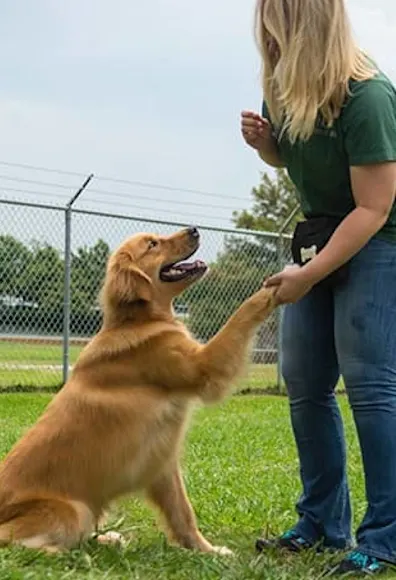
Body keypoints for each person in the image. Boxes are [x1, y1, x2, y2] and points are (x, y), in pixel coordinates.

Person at [241, 0, 396, 576]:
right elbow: (296, 156)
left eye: (276, 31)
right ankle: (322, 523)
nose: (268, 43)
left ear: (306, 31)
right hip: (320, 234)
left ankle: (384, 538)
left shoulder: (369, 97)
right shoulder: (283, 86)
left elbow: (375, 208)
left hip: (379, 242)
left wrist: (309, 275)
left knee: (371, 386)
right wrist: (267, 147)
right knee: (305, 383)